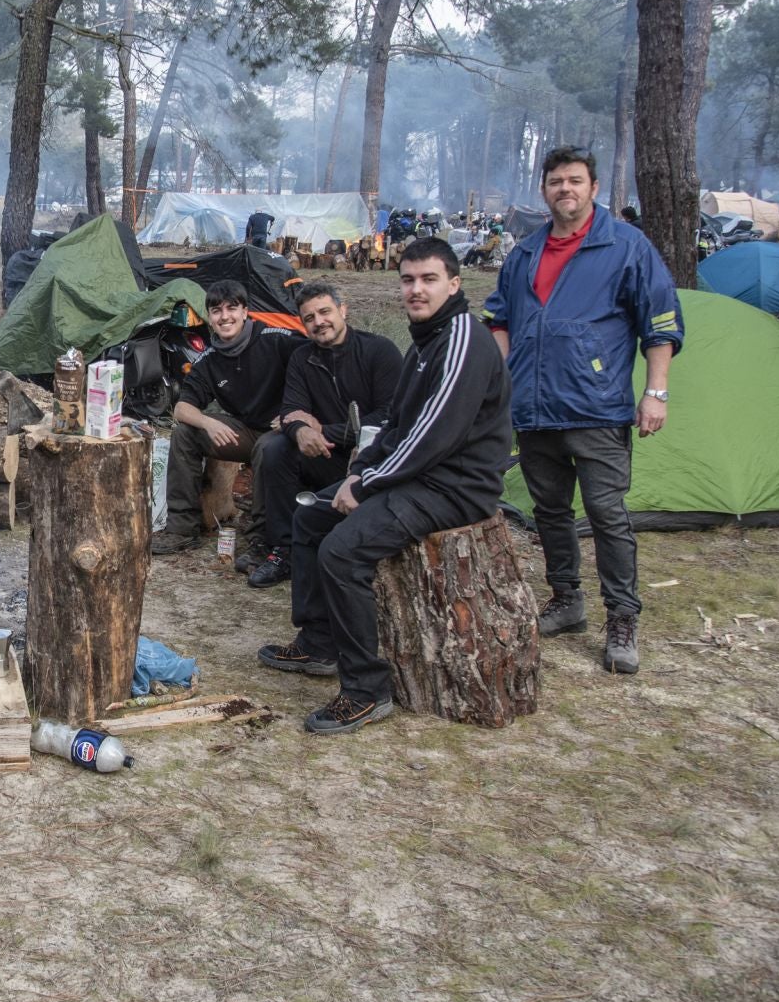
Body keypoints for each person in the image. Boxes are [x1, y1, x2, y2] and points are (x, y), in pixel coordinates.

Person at [257, 239, 511, 735]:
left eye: (429, 279)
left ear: (454, 285)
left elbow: (433, 435)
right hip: (419, 475)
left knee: (342, 552)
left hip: (454, 487)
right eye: (409, 279)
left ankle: (365, 690)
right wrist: (359, 469)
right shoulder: (427, 339)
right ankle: (318, 642)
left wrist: (367, 482)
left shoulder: (461, 338)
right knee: (311, 517)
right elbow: (397, 423)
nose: (416, 290)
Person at [486, 145, 683, 677]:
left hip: (596, 409)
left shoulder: (625, 246)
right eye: (555, 182)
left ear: (594, 189)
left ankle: (622, 617)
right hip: (533, 409)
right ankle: (567, 599)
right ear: (544, 190)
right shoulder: (525, 253)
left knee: (607, 515)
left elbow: (660, 322)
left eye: (575, 180)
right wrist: (501, 383)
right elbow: (498, 318)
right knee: (549, 512)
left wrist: (656, 392)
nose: (564, 189)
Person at [244, 283, 402, 589]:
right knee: (275, 448)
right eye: (309, 318)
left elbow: (390, 415)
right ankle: (284, 549)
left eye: (325, 312)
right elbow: (291, 410)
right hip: (326, 456)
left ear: (343, 310)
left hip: (372, 461)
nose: (319, 322)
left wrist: (324, 430)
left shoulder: (379, 351)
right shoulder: (303, 358)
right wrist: (301, 430)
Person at [150, 281, 303, 557]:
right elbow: (182, 408)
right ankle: (182, 528)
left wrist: (297, 411)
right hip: (247, 431)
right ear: (210, 317)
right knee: (185, 433)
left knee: (268, 448)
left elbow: (313, 362)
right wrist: (209, 422)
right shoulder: (210, 357)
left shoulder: (275, 338)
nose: (225, 316)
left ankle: (261, 538)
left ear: (245, 312)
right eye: (217, 310)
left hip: (286, 430)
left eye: (232, 308)